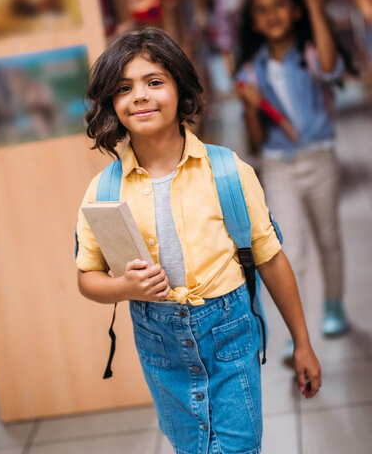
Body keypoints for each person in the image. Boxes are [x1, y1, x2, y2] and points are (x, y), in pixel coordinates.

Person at [75, 27, 321, 454]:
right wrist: (124, 288)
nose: (140, 96)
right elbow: (87, 277)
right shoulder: (104, 190)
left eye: (155, 82)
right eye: (124, 88)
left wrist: (302, 343)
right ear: (111, 104)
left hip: (229, 336)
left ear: (180, 88)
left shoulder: (227, 172)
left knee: (238, 448)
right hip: (160, 345)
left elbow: (272, 261)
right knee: (191, 448)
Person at [235, 0, 351, 363]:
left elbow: (333, 68)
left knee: (328, 237)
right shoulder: (251, 70)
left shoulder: (311, 53)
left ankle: (334, 304)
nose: (271, 15)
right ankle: (294, 330)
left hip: (320, 157)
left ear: (296, 11)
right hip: (278, 165)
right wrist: (251, 109)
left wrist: (317, 8)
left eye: (280, 4)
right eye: (261, 10)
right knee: (285, 250)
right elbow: (255, 139)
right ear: (252, 21)